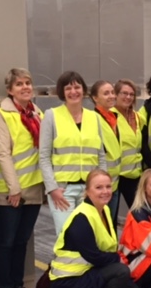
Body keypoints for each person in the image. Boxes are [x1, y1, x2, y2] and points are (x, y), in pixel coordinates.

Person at [49, 169, 139, 288]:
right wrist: (118, 259)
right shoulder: (82, 217)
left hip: (83, 275)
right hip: (68, 285)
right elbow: (94, 256)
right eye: (98, 187)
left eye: (108, 187)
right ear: (87, 191)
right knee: (121, 272)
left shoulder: (103, 210)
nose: (105, 191)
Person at [0, 68, 43, 288]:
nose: (25, 87)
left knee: (21, 242)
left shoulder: (37, 114)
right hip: (9, 191)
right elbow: (3, 154)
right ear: (10, 90)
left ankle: (17, 287)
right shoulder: (1, 116)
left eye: (28, 83)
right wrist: (14, 188)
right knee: (6, 242)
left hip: (33, 187)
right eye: (19, 84)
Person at [39, 71, 106, 236]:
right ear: (62, 92)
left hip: (89, 190)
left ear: (83, 90)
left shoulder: (94, 118)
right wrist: (52, 189)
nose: (73, 92)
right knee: (66, 236)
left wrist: (102, 186)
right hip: (63, 191)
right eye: (68, 88)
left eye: (77, 87)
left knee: (88, 235)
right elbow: (44, 156)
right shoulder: (51, 116)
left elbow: (101, 155)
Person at [90, 80, 121, 221]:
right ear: (95, 98)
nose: (112, 96)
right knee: (101, 223)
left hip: (114, 182)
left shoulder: (113, 117)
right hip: (102, 184)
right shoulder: (93, 119)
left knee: (110, 223)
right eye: (106, 93)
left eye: (113, 92)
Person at [113, 79, 142, 210]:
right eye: (124, 93)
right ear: (116, 94)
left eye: (131, 94)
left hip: (134, 175)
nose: (128, 97)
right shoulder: (110, 116)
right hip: (116, 175)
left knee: (139, 213)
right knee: (110, 216)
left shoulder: (137, 117)